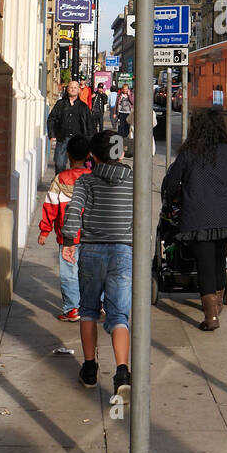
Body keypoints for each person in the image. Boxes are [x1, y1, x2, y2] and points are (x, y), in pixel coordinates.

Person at [61, 130, 134, 399]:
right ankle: (122, 372)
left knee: (89, 309)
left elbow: (73, 211)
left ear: (93, 156)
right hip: (123, 251)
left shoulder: (86, 182)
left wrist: (69, 241)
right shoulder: (133, 182)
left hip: (91, 250)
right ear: (122, 153)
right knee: (119, 314)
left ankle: (90, 369)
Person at [161, 108, 227, 331]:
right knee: (219, 261)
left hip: (198, 217)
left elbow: (171, 184)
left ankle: (211, 317)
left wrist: (179, 197)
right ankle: (216, 304)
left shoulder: (188, 153)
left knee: (205, 265)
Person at [37, 135, 93, 321]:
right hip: (90, 235)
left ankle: (72, 309)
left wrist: (45, 231)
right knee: (91, 272)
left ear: (68, 155)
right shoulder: (92, 179)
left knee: (69, 273)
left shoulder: (60, 179)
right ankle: (96, 305)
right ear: (88, 156)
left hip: (67, 235)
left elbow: (50, 206)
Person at [47, 79, 95, 174]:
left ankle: (74, 186)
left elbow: (90, 124)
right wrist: (52, 134)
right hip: (62, 138)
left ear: (78, 90)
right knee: (59, 164)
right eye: (71, 87)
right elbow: (51, 119)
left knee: (78, 167)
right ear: (67, 89)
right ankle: (60, 185)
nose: (73, 89)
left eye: (75, 88)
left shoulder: (83, 106)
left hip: (78, 140)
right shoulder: (60, 104)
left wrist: (90, 140)